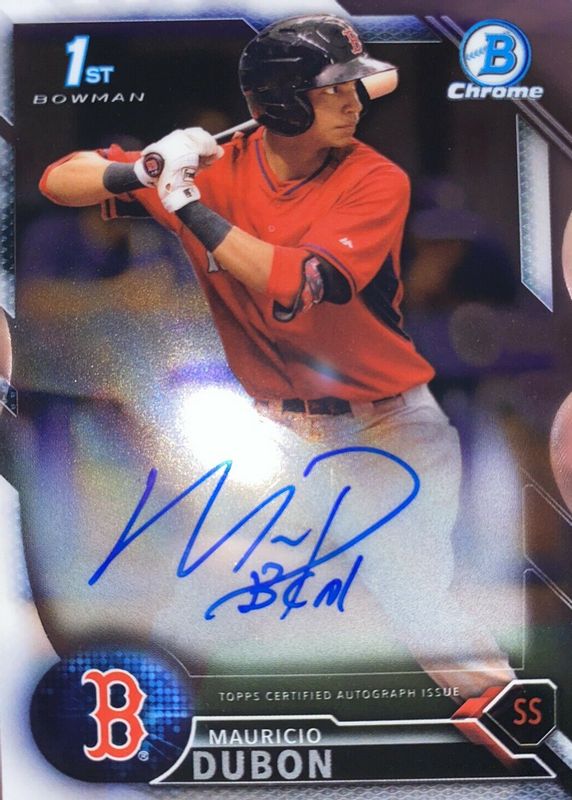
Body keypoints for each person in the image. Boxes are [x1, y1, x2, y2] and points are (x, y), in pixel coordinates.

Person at [39, 15, 514, 698]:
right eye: (334, 89)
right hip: (281, 433)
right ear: (284, 102)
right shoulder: (220, 172)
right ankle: (138, 726)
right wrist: (140, 168)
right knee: (203, 592)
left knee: (418, 605)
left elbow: (293, 281)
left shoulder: (376, 179)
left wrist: (188, 208)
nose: (355, 102)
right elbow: (60, 180)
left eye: (352, 86)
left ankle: (517, 726)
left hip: (386, 428)